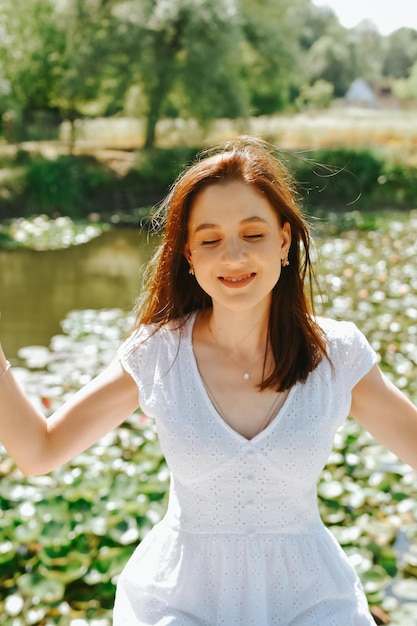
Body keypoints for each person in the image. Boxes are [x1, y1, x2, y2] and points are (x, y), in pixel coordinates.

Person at [1, 136, 416, 625]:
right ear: (189, 255)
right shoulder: (158, 354)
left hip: (312, 601)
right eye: (211, 240)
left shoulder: (337, 354)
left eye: (253, 234)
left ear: (284, 241)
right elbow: (39, 451)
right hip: (179, 604)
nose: (234, 257)